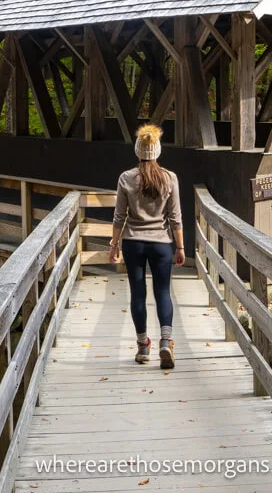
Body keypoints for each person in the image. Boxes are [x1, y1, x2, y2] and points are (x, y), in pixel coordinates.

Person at [108, 124, 185, 369]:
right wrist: (180, 247)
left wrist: (114, 244)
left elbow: (119, 216)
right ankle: (165, 341)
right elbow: (175, 217)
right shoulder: (170, 178)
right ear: (157, 151)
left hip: (133, 243)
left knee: (137, 293)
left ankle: (143, 346)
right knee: (163, 292)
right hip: (161, 243)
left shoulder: (126, 178)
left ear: (138, 151)